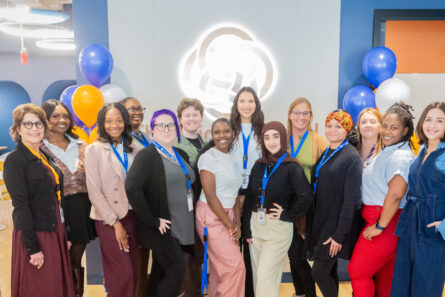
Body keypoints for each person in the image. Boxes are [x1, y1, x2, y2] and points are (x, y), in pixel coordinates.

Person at [4, 103, 75, 297]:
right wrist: (33, 248)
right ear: (18, 129)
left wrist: (65, 233)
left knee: (56, 287)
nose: (34, 128)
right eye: (28, 124)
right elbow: (21, 207)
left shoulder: (44, 156)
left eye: (38, 124)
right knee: (41, 289)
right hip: (36, 234)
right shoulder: (15, 161)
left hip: (55, 230)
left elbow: (55, 198)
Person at [125, 109, 196, 297]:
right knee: (175, 273)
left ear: (177, 128)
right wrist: (153, 220)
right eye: (161, 125)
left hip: (182, 224)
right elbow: (132, 187)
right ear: (152, 129)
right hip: (164, 228)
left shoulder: (180, 154)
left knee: (160, 273)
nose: (166, 128)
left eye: (171, 124)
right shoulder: (147, 156)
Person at [348, 102, 415, 297]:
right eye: (384, 125)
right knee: (386, 275)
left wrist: (380, 226)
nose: (386, 131)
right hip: (381, 220)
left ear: (405, 130)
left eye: (393, 127)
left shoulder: (400, 156)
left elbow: (395, 194)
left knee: (358, 271)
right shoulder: (388, 150)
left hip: (385, 222)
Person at [243, 121, 313, 297]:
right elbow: (250, 197)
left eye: (275, 136)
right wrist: (246, 230)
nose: (271, 141)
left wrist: (288, 214)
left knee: (265, 275)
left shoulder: (291, 166)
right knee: (261, 276)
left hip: (278, 228)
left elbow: (306, 196)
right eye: (267, 137)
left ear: (282, 138)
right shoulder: (258, 165)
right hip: (255, 225)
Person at [40, 100, 96, 297]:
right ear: (45, 119)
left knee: (75, 259)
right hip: (54, 211)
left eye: (65, 116)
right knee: (55, 259)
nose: (62, 120)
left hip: (81, 209)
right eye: (55, 116)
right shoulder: (39, 148)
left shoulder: (81, 145)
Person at [85, 103, 140, 297]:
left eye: (118, 120)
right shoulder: (94, 150)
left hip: (134, 216)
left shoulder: (135, 147)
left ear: (125, 121)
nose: (114, 125)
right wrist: (115, 223)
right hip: (109, 218)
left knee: (133, 270)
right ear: (102, 123)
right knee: (122, 273)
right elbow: (94, 191)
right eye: (108, 120)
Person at [305, 110, 362, 297]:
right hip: (322, 221)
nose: (332, 130)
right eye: (329, 125)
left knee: (319, 272)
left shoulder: (351, 157)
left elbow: (351, 200)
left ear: (347, 129)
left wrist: (338, 236)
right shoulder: (328, 151)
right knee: (328, 271)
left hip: (335, 226)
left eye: (338, 126)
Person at [390, 102, 445, 297]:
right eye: (428, 119)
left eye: (440, 120)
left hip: (432, 229)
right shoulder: (420, 152)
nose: (432, 125)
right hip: (410, 224)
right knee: (402, 283)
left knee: (426, 287)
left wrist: (443, 226)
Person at [195, 118, 245, 297]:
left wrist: (236, 222)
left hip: (229, 214)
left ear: (233, 133)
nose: (222, 135)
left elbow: (235, 194)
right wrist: (229, 225)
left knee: (220, 269)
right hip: (211, 215)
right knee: (235, 267)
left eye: (226, 131)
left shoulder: (233, 159)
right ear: (212, 134)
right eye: (217, 132)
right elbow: (210, 196)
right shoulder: (208, 158)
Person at [286, 97, 328, 297]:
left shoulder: (317, 140)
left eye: (305, 113)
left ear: (311, 116)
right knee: (292, 255)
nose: (301, 117)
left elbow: (328, 169)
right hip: (285, 205)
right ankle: (300, 292)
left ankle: (308, 293)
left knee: (299, 255)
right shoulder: (282, 138)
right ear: (289, 115)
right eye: (297, 112)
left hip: (307, 205)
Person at [229, 86, 264, 297]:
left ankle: (251, 292)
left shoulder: (262, 131)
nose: (246, 105)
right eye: (242, 101)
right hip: (231, 194)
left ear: (256, 105)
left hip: (254, 194)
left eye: (250, 101)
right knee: (233, 244)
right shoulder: (229, 129)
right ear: (236, 105)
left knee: (251, 244)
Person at [120, 96, 151, 297]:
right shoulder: (120, 140)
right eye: (132, 109)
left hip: (145, 206)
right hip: (128, 208)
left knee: (142, 260)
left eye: (139, 108)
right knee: (130, 264)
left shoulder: (144, 136)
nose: (137, 112)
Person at [175, 98, 206, 166]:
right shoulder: (174, 146)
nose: (191, 119)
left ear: (201, 117)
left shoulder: (207, 145)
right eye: (187, 116)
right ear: (180, 119)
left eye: (195, 115)